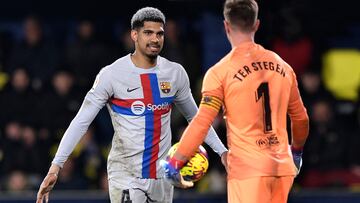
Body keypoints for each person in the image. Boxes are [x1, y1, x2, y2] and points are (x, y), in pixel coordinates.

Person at [36, 7, 227, 203]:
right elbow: (81, 121)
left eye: (159, 33)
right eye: (148, 33)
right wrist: (56, 166)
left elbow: (197, 119)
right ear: (134, 35)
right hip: (125, 173)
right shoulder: (112, 74)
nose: (155, 39)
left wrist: (222, 152)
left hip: (162, 176)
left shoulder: (175, 73)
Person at [162, 0, 309, 202]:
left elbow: (202, 122)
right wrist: (297, 153)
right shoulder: (283, 67)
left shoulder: (220, 73)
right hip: (282, 170)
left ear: (226, 26)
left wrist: (175, 163)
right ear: (256, 25)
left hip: (248, 171)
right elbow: (301, 119)